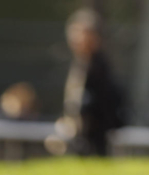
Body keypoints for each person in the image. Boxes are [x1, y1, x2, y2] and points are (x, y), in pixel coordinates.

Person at [51, 8, 126, 156]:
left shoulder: (99, 68)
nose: (78, 39)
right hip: (78, 138)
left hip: (95, 141)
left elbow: (103, 106)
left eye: (83, 34)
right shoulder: (77, 65)